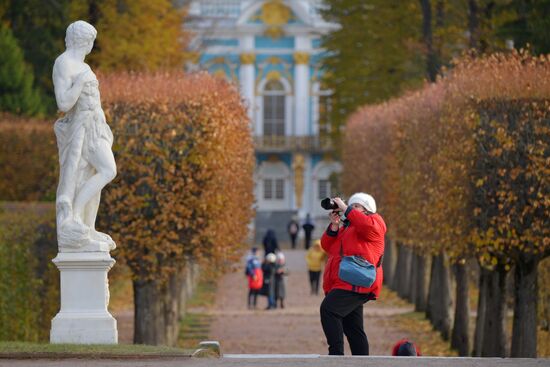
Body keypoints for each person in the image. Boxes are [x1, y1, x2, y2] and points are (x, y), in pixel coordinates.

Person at [53, 20, 116, 251]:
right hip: (81, 128)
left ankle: (87, 226)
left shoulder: (83, 65)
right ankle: (75, 217)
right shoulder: (64, 63)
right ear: (86, 41)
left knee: (101, 171)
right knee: (106, 170)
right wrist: (80, 82)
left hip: (95, 126)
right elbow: (63, 103)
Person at [319, 193, 386, 356]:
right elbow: (328, 247)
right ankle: (362, 362)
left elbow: (366, 225)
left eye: (356, 206)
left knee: (329, 310)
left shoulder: (375, 223)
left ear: (368, 209)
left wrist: (344, 207)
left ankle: (336, 357)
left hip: (357, 281)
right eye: (351, 205)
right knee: (353, 328)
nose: (351, 209)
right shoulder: (349, 228)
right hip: (346, 281)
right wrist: (334, 227)